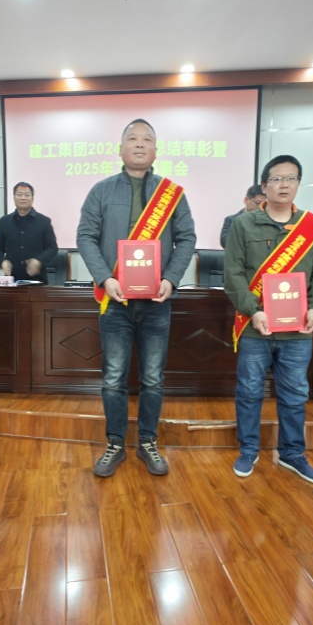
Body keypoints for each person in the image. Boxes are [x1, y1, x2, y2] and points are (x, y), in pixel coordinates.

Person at [76, 118, 196, 478]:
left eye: (147, 139)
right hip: (115, 301)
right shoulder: (100, 191)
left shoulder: (172, 194)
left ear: (156, 150)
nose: (140, 144)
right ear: (120, 149)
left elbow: (187, 238)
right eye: (132, 138)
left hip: (157, 302)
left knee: (153, 378)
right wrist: (105, 277)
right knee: (113, 377)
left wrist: (171, 279)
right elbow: (86, 237)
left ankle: (147, 441)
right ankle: (115, 443)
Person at [224, 155, 313, 483]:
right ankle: (248, 449)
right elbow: (233, 274)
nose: (284, 184)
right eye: (277, 179)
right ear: (264, 185)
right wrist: (253, 310)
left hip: (297, 330)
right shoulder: (243, 224)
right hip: (255, 327)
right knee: (249, 391)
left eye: (291, 178)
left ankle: (292, 453)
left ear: (298, 184)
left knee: (295, 395)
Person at [0, 182, 58, 283]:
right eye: (19, 194)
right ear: (14, 198)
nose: (23, 198)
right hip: (12, 281)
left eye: (27, 195)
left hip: (38, 281)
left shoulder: (44, 221)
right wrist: (2, 261)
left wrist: (38, 261)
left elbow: (52, 248)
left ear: (32, 198)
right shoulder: (4, 221)